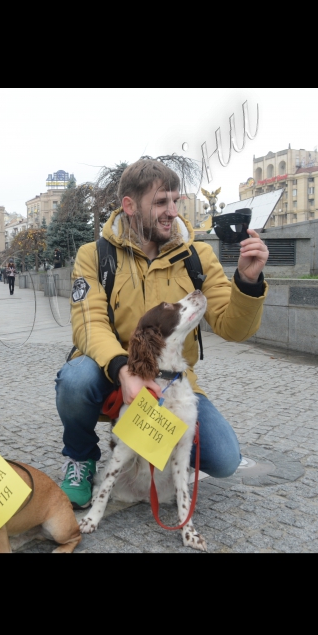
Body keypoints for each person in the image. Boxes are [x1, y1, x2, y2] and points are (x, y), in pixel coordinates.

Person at [55, 159, 270, 510]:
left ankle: (160, 449)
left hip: (172, 384)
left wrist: (247, 282)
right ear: (129, 206)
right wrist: (124, 370)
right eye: (160, 203)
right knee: (75, 380)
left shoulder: (197, 255)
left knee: (224, 459)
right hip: (112, 375)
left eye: (175, 200)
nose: (172, 211)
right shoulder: (94, 255)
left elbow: (233, 328)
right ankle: (80, 458)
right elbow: (88, 323)